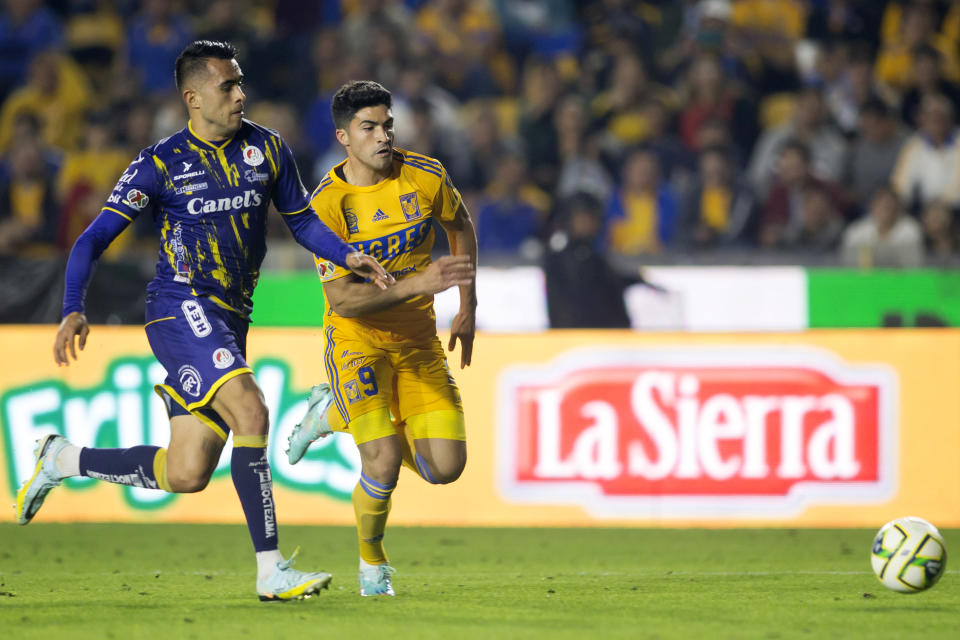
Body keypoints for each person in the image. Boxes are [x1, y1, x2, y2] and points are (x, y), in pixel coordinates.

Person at [14, 40, 393, 602]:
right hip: (178, 304)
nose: (241, 94)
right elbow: (93, 239)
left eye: (241, 83)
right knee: (251, 408)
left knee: (187, 472)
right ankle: (271, 571)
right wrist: (73, 306)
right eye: (227, 86)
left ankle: (62, 458)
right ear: (193, 97)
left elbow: (302, 222)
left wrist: (346, 253)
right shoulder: (160, 163)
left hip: (231, 317)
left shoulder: (266, 149)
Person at [284, 80, 477, 598]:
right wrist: (420, 283)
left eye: (387, 124)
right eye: (369, 127)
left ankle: (330, 413)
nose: (383, 135)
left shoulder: (425, 175)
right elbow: (343, 300)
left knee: (446, 469)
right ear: (344, 137)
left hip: (417, 342)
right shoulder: (326, 205)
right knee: (384, 460)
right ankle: (373, 567)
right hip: (357, 340)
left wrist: (468, 308)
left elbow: (461, 227)